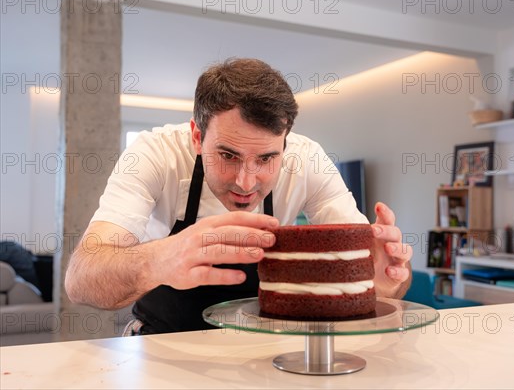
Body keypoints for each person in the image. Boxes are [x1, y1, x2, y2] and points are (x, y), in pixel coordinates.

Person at [65, 58, 412, 334]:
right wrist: (157, 261)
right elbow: (81, 279)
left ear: (285, 143)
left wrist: (384, 282)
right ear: (197, 137)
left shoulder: (308, 159)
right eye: (228, 155)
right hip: (161, 344)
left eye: (266, 158)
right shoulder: (154, 154)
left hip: (264, 349)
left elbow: (383, 282)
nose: (246, 182)